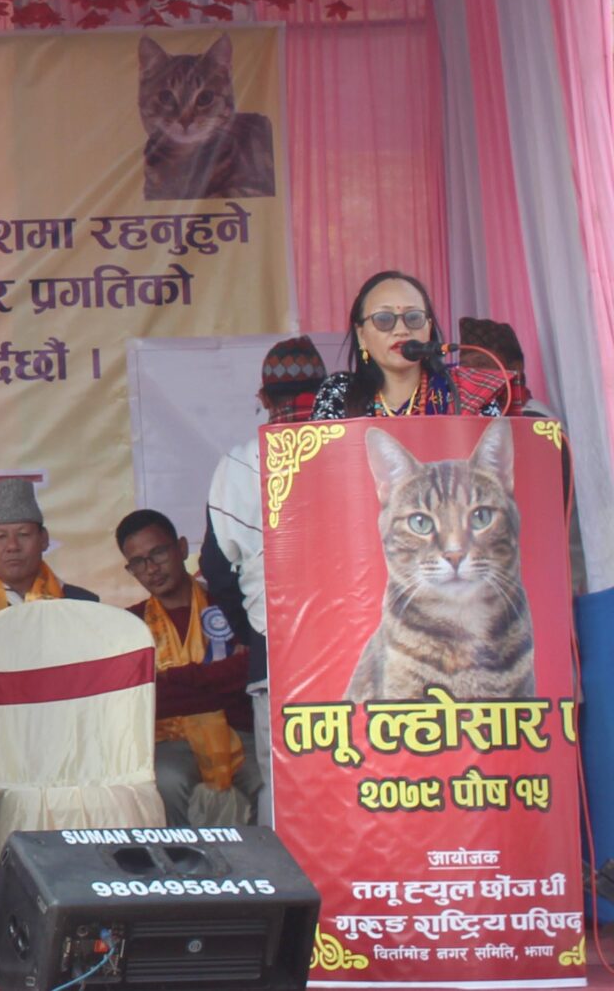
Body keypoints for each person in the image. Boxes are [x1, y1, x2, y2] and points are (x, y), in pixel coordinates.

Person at [201, 335, 327, 826]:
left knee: (286, 786)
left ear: (263, 398)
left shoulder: (237, 464)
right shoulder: (358, 445)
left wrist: (252, 630)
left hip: (279, 653)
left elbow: (217, 571)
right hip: (360, 648)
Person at [116, 509, 258, 827]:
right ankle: (178, 860)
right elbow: (141, 699)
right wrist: (217, 680)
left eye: (158, 553)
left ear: (181, 548)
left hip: (238, 733)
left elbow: (247, 675)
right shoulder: (129, 625)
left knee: (269, 780)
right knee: (165, 781)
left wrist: (167, 680)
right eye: (138, 562)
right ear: (130, 569)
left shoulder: (230, 607)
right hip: (169, 740)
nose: (151, 569)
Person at [313, 271, 508, 419]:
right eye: (384, 319)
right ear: (361, 335)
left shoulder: (464, 391)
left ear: (429, 328)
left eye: (413, 318)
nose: (401, 330)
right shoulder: (340, 392)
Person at [0, 479, 98, 635]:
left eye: (23, 534)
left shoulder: (84, 603)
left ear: (44, 539)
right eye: (1, 536)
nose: (13, 546)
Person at [457, 316, 550, 417]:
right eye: (464, 366)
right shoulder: (468, 415)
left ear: (515, 368)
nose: (471, 373)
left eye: (481, 364)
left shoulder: (533, 418)